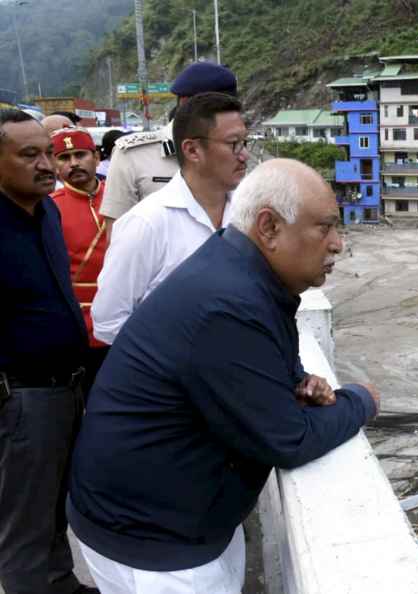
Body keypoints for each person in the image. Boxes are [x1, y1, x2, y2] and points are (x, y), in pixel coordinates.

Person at [68, 159, 379, 594]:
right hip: (155, 545)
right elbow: (289, 440)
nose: (337, 245)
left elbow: (258, 363)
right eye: (325, 228)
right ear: (268, 227)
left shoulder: (241, 274)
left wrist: (298, 379)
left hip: (170, 520)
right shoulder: (228, 303)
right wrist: (362, 400)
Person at [0, 109, 96, 594]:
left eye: (48, 153)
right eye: (29, 154)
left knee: (54, 504)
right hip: (22, 398)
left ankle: (59, 582)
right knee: (25, 522)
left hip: (66, 387)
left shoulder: (49, 211)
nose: (47, 165)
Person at [92, 92, 248, 344]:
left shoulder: (247, 214)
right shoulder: (146, 224)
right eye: (233, 144)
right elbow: (108, 322)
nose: (244, 155)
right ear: (192, 150)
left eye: (245, 142)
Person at [99, 62, 238, 225]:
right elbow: (116, 234)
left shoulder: (235, 151)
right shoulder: (132, 156)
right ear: (186, 103)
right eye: (219, 110)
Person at [50, 128, 110, 395]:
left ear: (96, 157)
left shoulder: (122, 197)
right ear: (54, 165)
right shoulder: (48, 207)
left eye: (80, 154)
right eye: (64, 157)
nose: (73, 163)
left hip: (127, 320)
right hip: (78, 326)